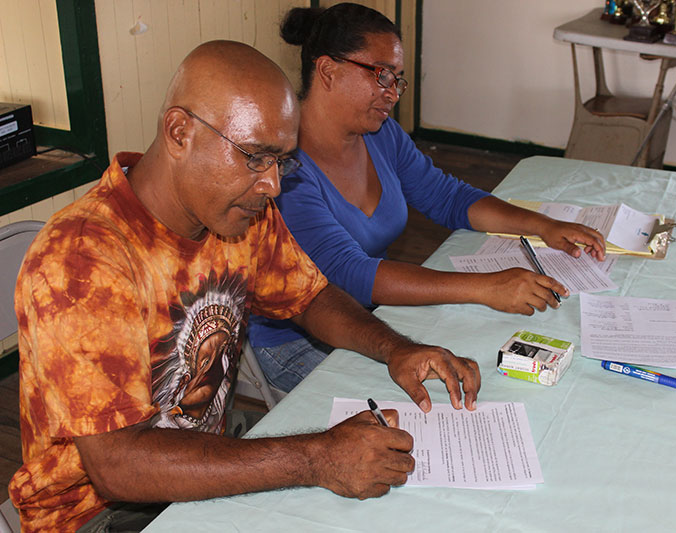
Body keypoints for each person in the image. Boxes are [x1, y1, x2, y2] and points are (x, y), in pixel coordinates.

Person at [9, 40, 480, 532]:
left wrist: (395, 348)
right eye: (256, 156)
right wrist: (317, 457)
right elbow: (118, 468)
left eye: (282, 161)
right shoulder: (82, 260)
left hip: (193, 471)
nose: (273, 184)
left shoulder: (237, 212)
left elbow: (309, 296)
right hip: (102, 515)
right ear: (178, 133)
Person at [247, 3, 606, 395]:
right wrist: (486, 288)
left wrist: (544, 227)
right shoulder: (286, 167)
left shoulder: (380, 134)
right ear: (328, 71)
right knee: (428, 404)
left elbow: (448, 197)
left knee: (485, 367)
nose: (392, 94)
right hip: (296, 340)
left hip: (372, 317)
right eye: (382, 75)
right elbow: (352, 274)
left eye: (398, 80)